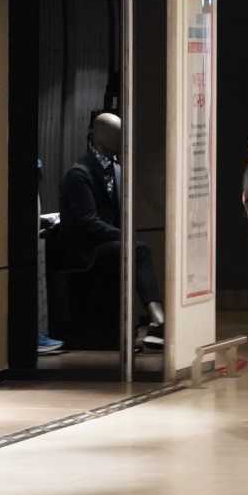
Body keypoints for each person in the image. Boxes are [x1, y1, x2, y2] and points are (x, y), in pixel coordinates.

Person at [54, 113, 166, 349]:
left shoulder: (115, 169)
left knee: (135, 251)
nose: (122, 138)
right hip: (86, 249)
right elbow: (88, 223)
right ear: (100, 136)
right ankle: (158, 319)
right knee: (138, 249)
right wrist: (123, 236)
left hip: (104, 243)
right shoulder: (79, 174)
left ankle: (153, 322)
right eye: (117, 133)